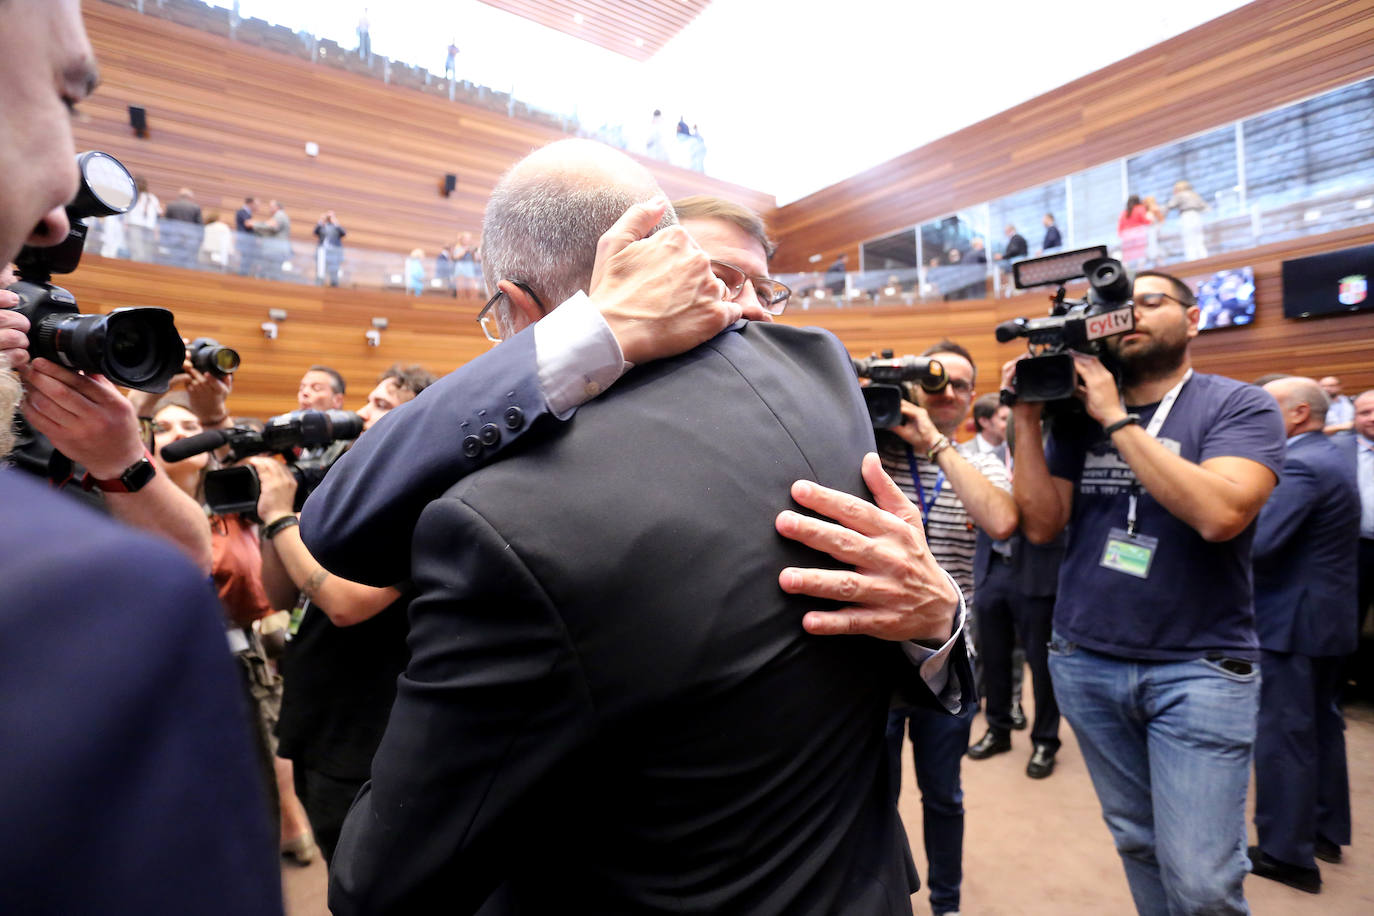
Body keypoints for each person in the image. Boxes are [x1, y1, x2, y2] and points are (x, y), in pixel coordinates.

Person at [325, 138, 970, 916]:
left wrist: (940, 621)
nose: (746, 311)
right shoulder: (819, 371)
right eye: (723, 280)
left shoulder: (506, 528)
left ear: (516, 309)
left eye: (759, 288)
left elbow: (379, 885)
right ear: (660, 260)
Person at [0, 2, 282, 911]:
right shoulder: (90, 602)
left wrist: (125, 461)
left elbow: (197, 560)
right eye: (63, 97)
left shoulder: (88, 441)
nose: (58, 203)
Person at [1007, 269, 1285, 914]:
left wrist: (1115, 418)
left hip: (1199, 668)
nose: (1130, 314)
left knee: (1203, 878)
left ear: (1193, 320)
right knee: (1137, 842)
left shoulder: (1238, 404)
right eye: (1120, 306)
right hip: (1084, 660)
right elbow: (1044, 525)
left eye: (1151, 301)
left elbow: (1220, 515)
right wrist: (1027, 418)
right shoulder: (1073, 421)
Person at [261, 364, 437, 865]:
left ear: (415, 422)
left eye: (381, 406)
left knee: (360, 872)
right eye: (367, 400)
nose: (361, 413)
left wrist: (277, 519)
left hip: (363, 729)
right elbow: (278, 595)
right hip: (317, 709)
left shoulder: (417, 505)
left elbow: (344, 604)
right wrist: (280, 514)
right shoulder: (350, 493)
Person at [876, 340, 1017, 916]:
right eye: (938, 381)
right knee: (870, 799)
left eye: (964, 385)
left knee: (944, 796)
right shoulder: (867, 451)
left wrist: (933, 444)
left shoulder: (979, 461)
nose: (951, 394)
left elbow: (1003, 522)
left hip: (951, 655)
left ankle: (947, 904)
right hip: (871, 661)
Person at [1248, 376, 1359, 893]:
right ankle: (1323, 831)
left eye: (1265, 406)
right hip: (1326, 617)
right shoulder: (1332, 453)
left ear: (1296, 414)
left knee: (1284, 736)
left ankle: (1286, 854)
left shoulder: (1298, 463)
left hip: (1291, 621)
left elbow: (1262, 543)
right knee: (1320, 727)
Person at [1167, 179, 1210, 262]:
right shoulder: (1194, 195)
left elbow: (1170, 205)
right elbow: (1205, 207)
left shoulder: (1180, 195)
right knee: (1199, 239)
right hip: (1197, 216)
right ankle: (1203, 258)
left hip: (1186, 216)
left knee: (1189, 240)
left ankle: (1192, 261)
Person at [162, 187, 203, 267]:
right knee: (188, 262)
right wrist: (200, 240)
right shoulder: (195, 208)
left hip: (174, 237)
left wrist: (165, 238)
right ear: (190, 197)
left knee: (173, 260)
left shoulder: (171, 206)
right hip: (189, 239)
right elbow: (199, 226)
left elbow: (166, 223)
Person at [125, 174, 162, 262]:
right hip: (148, 227)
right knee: (146, 252)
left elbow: (125, 213)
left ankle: (136, 268)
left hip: (135, 226)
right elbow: (159, 214)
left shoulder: (131, 196)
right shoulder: (152, 198)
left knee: (137, 251)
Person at [255, 199, 291, 280]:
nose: (269, 209)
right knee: (270, 273)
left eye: (271, 207)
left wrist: (254, 225)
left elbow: (271, 227)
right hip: (274, 251)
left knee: (273, 275)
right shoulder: (278, 216)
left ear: (277, 207)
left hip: (276, 251)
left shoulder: (280, 215)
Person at [314, 211, 346, 286]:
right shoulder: (322, 226)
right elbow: (315, 232)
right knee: (321, 268)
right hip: (322, 250)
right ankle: (320, 283)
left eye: (330, 217)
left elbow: (343, 233)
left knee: (334, 268)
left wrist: (335, 222)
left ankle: (334, 283)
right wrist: (321, 220)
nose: (329, 218)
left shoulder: (336, 227)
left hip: (334, 250)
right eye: (328, 217)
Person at [1117, 194, 1150, 266]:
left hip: (1126, 235)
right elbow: (1145, 220)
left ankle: (1126, 270)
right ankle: (1141, 269)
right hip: (1138, 233)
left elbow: (1120, 226)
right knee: (1141, 254)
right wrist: (1151, 221)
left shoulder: (1124, 213)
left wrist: (1121, 235)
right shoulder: (1140, 208)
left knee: (1127, 255)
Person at [235, 195, 258, 276]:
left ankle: (244, 274)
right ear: (251, 203)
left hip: (247, 242)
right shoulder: (242, 212)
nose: (257, 207)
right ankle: (242, 275)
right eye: (256, 204)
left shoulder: (248, 213)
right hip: (245, 241)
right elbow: (247, 224)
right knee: (245, 260)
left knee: (247, 260)